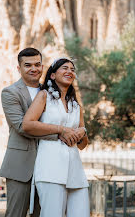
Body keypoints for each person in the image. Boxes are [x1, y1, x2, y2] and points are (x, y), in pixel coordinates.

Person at [0, 48, 78, 217]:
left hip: (48, 167)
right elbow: (22, 127)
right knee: (15, 214)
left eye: (37, 64)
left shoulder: (51, 91)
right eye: (27, 65)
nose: (33, 68)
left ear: (43, 67)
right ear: (19, 68)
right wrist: (59, 134)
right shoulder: (10, 92)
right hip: (20, 166)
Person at [23, 58, 90, 217]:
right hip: (50, 169)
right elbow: (27, 124)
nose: (69, 71)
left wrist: (83, 132)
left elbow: (82, 145)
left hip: (75, 170)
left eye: (72, 69)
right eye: (64, 68)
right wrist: (61, 130)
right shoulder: (43, 96)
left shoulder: (76, 105)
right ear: (52, 75)